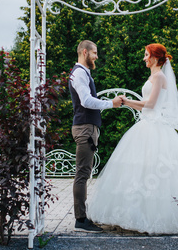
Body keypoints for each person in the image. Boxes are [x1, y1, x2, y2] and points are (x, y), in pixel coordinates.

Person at [86, 43, 178, 234]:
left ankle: (152, 218)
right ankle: (131, 215)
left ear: (154, 57)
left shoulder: (159, 76)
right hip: (146, 124)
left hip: (156, 128)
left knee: (151, 172)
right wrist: (127, 104)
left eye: (146, 55)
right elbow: (144, 106)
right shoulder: (153, 76)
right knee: (136, 171)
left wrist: (126, 101)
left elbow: (151, 104)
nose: (144, 58)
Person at [69, 40, 122, 233]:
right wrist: (111, 104)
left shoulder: (83, 73)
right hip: (84, 129)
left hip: (87, 128)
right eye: (95, 53)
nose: (96, 57)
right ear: (85, 52)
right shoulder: (80, 73)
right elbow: (86, 101)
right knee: (82, 173)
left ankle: (82, 217)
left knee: (84, 172)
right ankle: (81, 220)